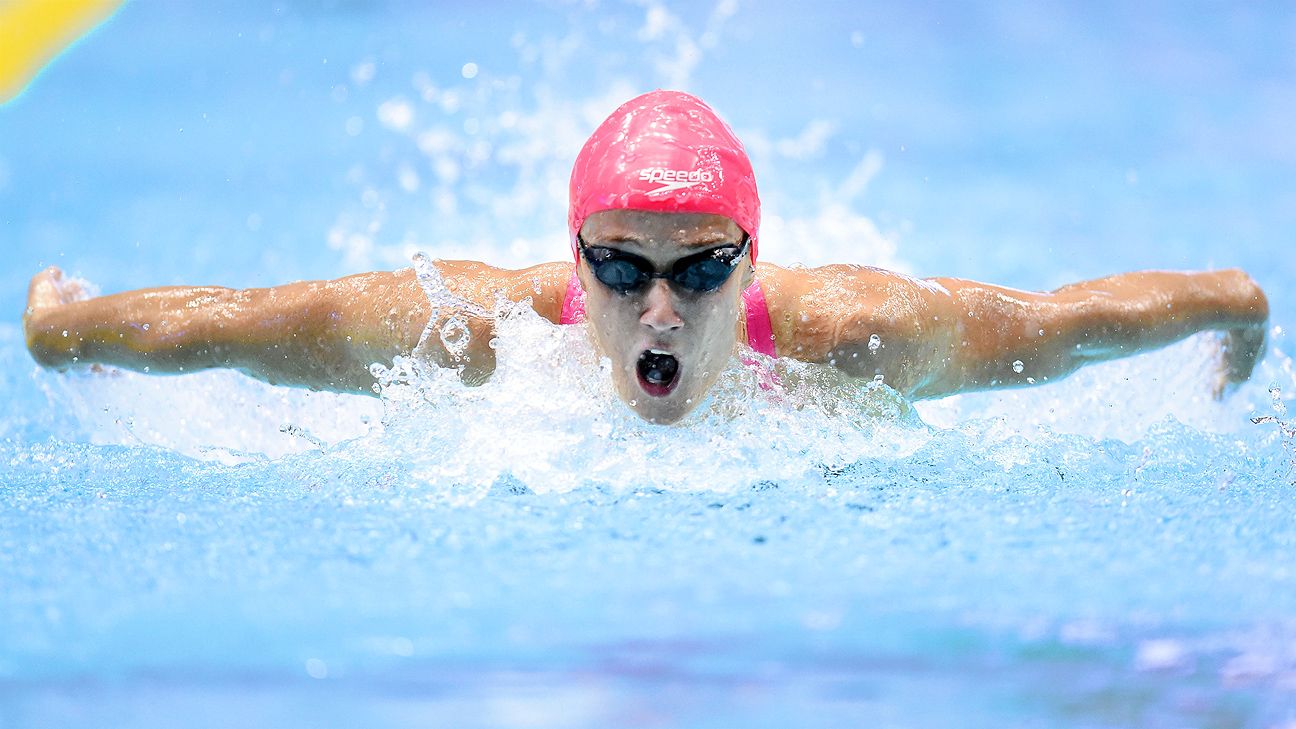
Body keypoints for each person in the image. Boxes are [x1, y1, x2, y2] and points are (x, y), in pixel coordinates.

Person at [23, 90, 1269, 424]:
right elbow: (240, 321)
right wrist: (61, 328)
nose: (660, 307)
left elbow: (1068, 321)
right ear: (575, 267)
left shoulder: (853, 332)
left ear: (753, 263)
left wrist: (1237, 310)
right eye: (620, 270)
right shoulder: (478, 333)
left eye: (700, 269)